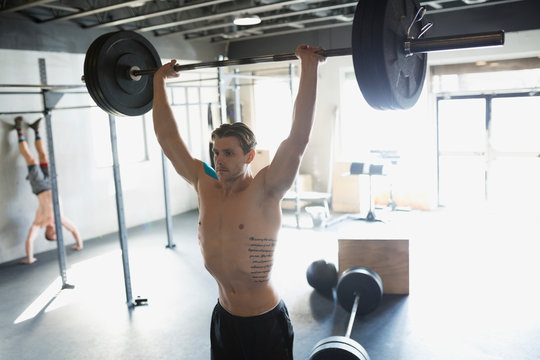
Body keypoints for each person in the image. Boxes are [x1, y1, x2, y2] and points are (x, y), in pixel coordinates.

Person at [153, 45, 325, 360]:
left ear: (248, 156)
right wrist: (158, 81)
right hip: (224, 316)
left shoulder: (266, 188)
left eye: (228, 153)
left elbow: (298, 138)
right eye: (215, 153)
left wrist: (309, 67)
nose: (218, 161)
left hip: (264, 320)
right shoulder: (205, 184)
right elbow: (168, 139)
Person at [12, 116, 83, 264]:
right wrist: (79, 245)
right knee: (44, 156)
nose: (56, 233)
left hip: (39, 187)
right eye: (56, 235)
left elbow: (30, 239)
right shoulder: (61, 220)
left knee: (31, 160)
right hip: (51, 184)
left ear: (47, 233)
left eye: (53, 235)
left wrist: (30, 258)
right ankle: (36, 129)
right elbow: (74, 230)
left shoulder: (40, 223)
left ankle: (19, 129)